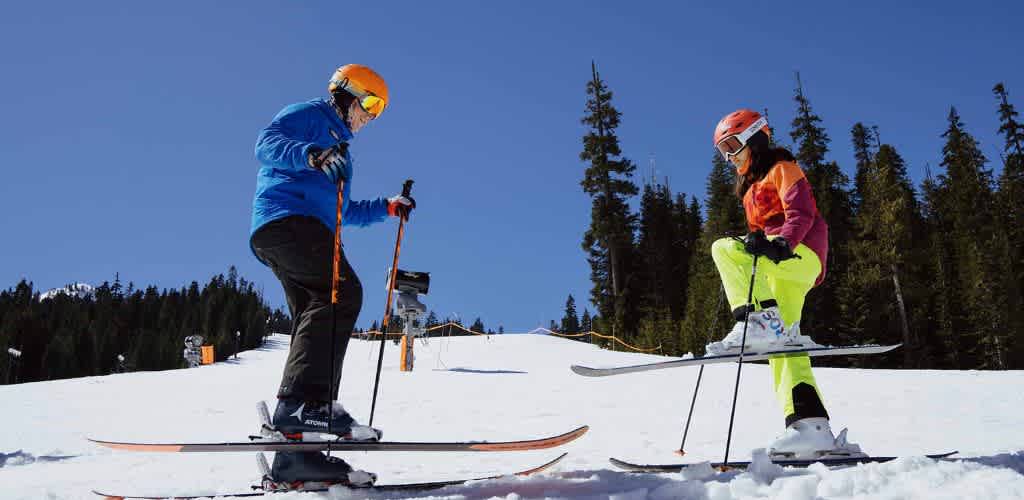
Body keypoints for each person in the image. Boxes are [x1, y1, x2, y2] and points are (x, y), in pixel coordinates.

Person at [249, 64, 415, 486]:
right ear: (347, 93)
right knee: (341, 293)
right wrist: (311, 154)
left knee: (318, 313)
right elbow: (266, 143)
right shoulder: (310, 116)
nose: (371, 116)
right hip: (287, 221)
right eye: (371, 103)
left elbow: (346, 211)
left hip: (308, 230)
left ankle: (297, 453)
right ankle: (304, 408)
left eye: (379, 112)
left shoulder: (341, 153)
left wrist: (388, 207)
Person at [707, 109, 862, 460]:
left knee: (722, 248)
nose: (729, 156)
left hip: (798, 255)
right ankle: (811, 428)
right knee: (782, 348)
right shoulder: (750, 189)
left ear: (754, 137)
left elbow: (802, 213)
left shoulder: (782, 169)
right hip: (777, 267)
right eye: (723, 151)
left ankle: (758, 323)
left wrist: (782, 243)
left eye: (732, 145)